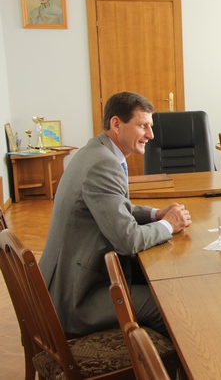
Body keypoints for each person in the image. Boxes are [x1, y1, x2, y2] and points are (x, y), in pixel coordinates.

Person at [39, 91, 192, 336]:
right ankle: (174, 360)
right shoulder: (103, 164)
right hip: (77, 297)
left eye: (150, 126)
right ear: (116, 124)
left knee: (161, 284)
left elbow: (113, 208)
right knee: (168, 304)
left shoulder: (96, 151)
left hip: (69, 280)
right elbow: (128, 241)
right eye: (143, 126)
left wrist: (155, 214)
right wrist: (168, 225)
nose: (151, 135)